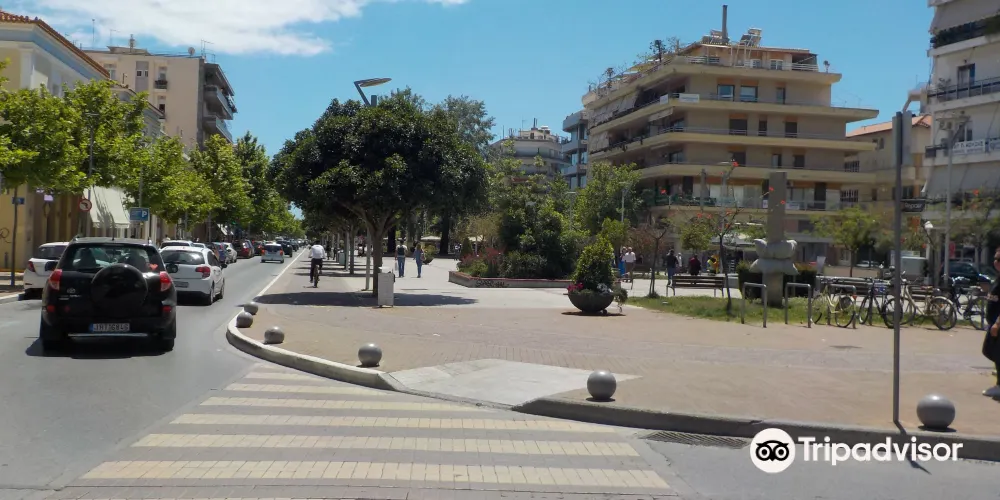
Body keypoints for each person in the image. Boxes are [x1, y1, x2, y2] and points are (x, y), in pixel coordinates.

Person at [981, 247, 1000, 398]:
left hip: (998, 325)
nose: (996, 262)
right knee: (988, 350)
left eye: (999, 259)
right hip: (993, 323)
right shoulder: (998, 278)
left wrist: (998, 323)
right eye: (995, 258)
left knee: (996, 352)